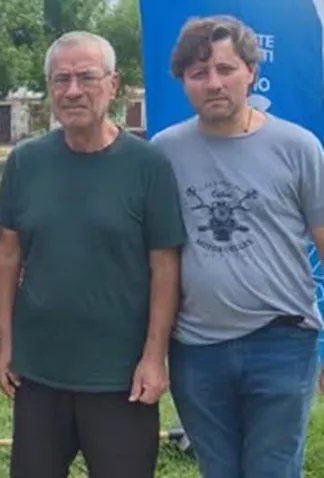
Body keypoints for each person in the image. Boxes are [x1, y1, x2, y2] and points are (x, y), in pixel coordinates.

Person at [0, 31, 186, 478]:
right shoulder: (26, 161)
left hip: (121, 375)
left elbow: (165, 265)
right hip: (40, 370)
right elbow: (6, 254)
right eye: (61, 79)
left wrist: (154, 356)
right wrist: (5, 341)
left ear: (113, 84)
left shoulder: (148, 165)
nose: (73, 90)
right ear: (49, 88)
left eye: (86, 77)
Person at [151, 15, 324, 478]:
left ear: (251, 71)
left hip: (282, 340)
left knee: (273, 470)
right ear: (183, 81)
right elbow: (154, 252)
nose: (213, 83)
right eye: (199, 73)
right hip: (196, 348)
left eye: (225, 69)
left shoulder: (298, 147)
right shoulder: (164, 153)